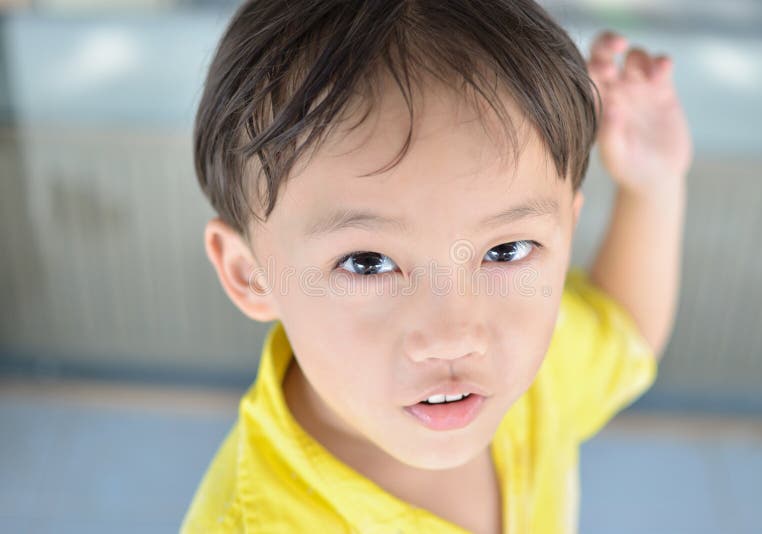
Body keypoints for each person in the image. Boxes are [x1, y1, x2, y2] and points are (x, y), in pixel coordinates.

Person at [181, 0, 692, 532]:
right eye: (368, 262)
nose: (453, 336)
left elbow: (622, 330)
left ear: (565, 233)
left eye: (507, 251)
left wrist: (652, 188)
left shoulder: (534, 368)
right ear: (250, 273)